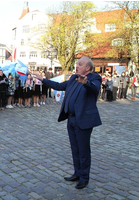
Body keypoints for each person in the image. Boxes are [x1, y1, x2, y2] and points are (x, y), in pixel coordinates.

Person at [35, 56, 102, 189]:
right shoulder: (73, 78)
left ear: (88, 68)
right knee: (75, 148)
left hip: (83, 120)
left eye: (80, 64)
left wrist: (86, 83)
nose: (76, 66)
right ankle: (77, 173)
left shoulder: (94, 78)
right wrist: (42, 79)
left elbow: (94, 89)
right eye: (76, 64)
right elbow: (59, 86)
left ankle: (84, 177)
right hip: (71, 119)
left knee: (83, 150)